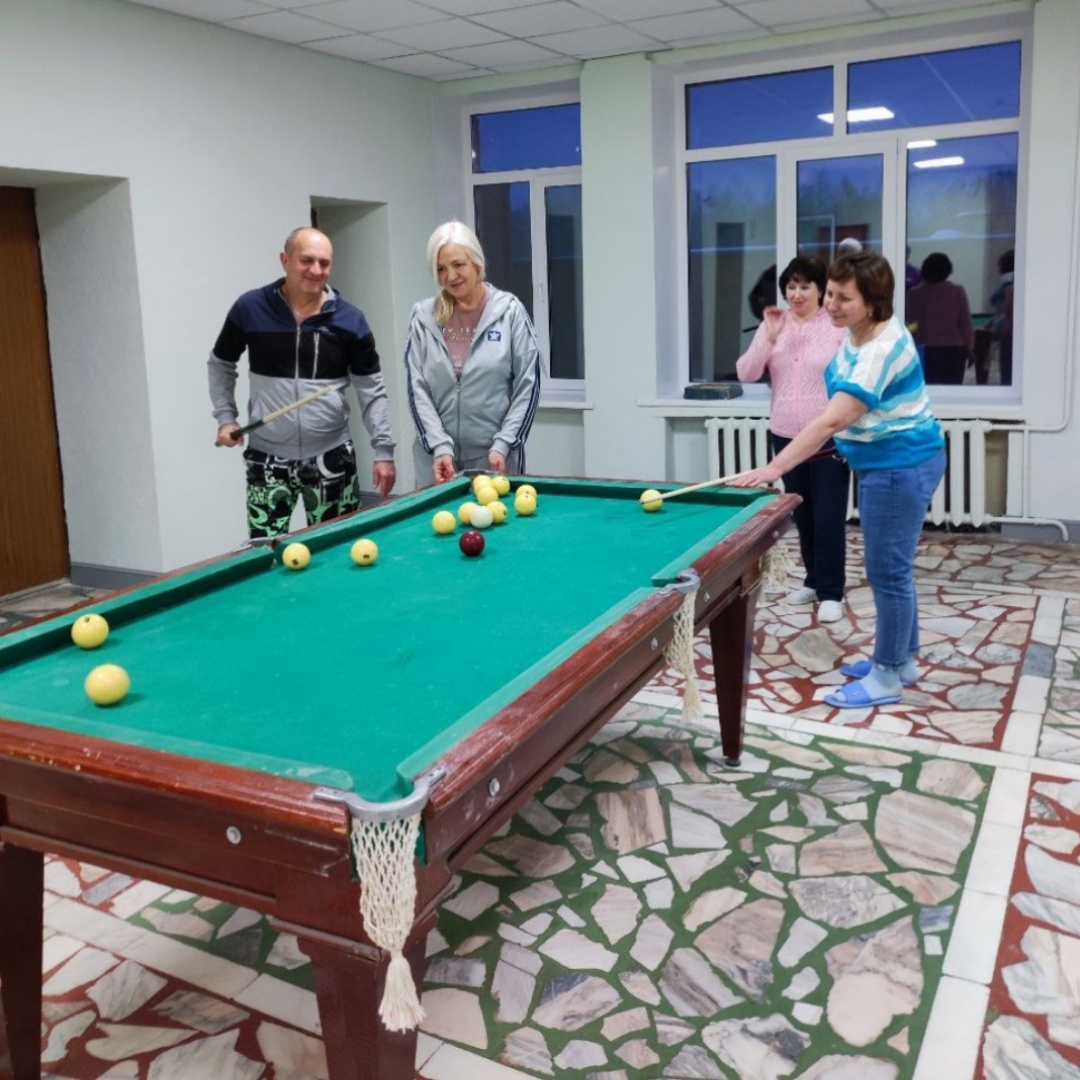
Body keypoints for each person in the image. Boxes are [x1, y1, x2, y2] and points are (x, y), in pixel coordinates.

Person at [730, 252, 946, 710]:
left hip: (898, 466)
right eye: (829, 293)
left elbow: (831, 420)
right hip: (886, 462)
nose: (830, 304)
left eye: (843, 297)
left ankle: (887, 675)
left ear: (873, 301)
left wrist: (772, 469)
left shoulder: (878, 351)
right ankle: (902, 660)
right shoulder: (857, 330)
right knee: (894, 570)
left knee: (888, 573)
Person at [209, 227, 396, 538]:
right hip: (266, 458)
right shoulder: (250, 308)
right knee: (265, 551)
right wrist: (226, 418)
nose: (316, 270)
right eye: (306, 260)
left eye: (324, 263)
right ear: (285, 260)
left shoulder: (351, 320)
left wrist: (384, 450)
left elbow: (371, 391)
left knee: (338, 548)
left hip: (332, 456)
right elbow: (220, 363)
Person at [736, 256, 848, 622]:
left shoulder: (836, 327)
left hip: (828, 438)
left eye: (805, 286)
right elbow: (746, 373)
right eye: (791, 287)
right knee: (804, 514)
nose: (797, 294)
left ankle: (831, 591)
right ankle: (813, 581)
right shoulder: (774, 324)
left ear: (820, 290)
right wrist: (768, 338)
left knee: (829, 517)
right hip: (784, 435)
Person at [405, 221, 542, 484]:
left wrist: (504, 443)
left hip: (494, 459)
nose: (451, 276)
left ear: (476, 262)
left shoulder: (509, 312)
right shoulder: (423, 317)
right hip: (436, 461)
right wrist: (439, 445)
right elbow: (417, 388)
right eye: (441, 268)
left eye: (458, 264)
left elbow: (528, 385)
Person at [905, 251, 974, 385]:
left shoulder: (915, 293)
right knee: (953, 389)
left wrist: (912, 340)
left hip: (927, 349)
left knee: (929, 389)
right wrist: (970, 348)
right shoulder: (958, 291)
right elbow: (965, 323)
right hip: (955, 349)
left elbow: (912, 323)